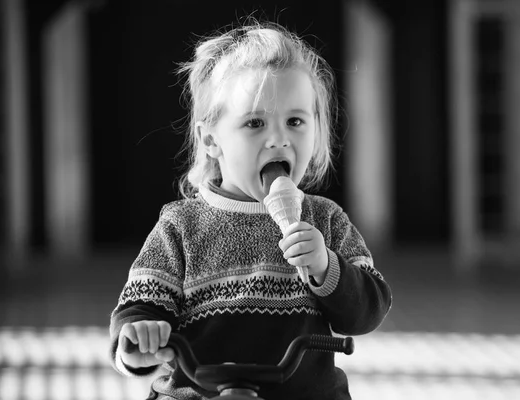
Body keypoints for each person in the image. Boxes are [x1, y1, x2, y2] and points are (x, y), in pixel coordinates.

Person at [109, 18, 392, 400]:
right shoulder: (180, 227)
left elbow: (370, 308)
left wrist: (326, 267)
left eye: (295, 121)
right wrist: (139, 340)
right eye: (255, 123)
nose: (279, 139)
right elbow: (138, 309)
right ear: (211, 139)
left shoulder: (325, 219)